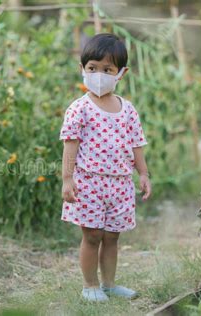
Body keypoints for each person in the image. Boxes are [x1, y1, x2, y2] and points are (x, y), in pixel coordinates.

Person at [59, 33, 152, 302]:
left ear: (121, 73)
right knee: (92, 236)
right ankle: (90, 285)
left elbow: (137, 144)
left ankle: (109, 284)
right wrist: (67, 179)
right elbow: (70, 145)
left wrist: (143, 174)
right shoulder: (80, 109)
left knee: (112, 237)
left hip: (121, 183)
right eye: (92, 68)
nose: (99, 74)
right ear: (83, 69)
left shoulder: (128, 109)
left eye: (107, 69)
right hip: (89, 182)